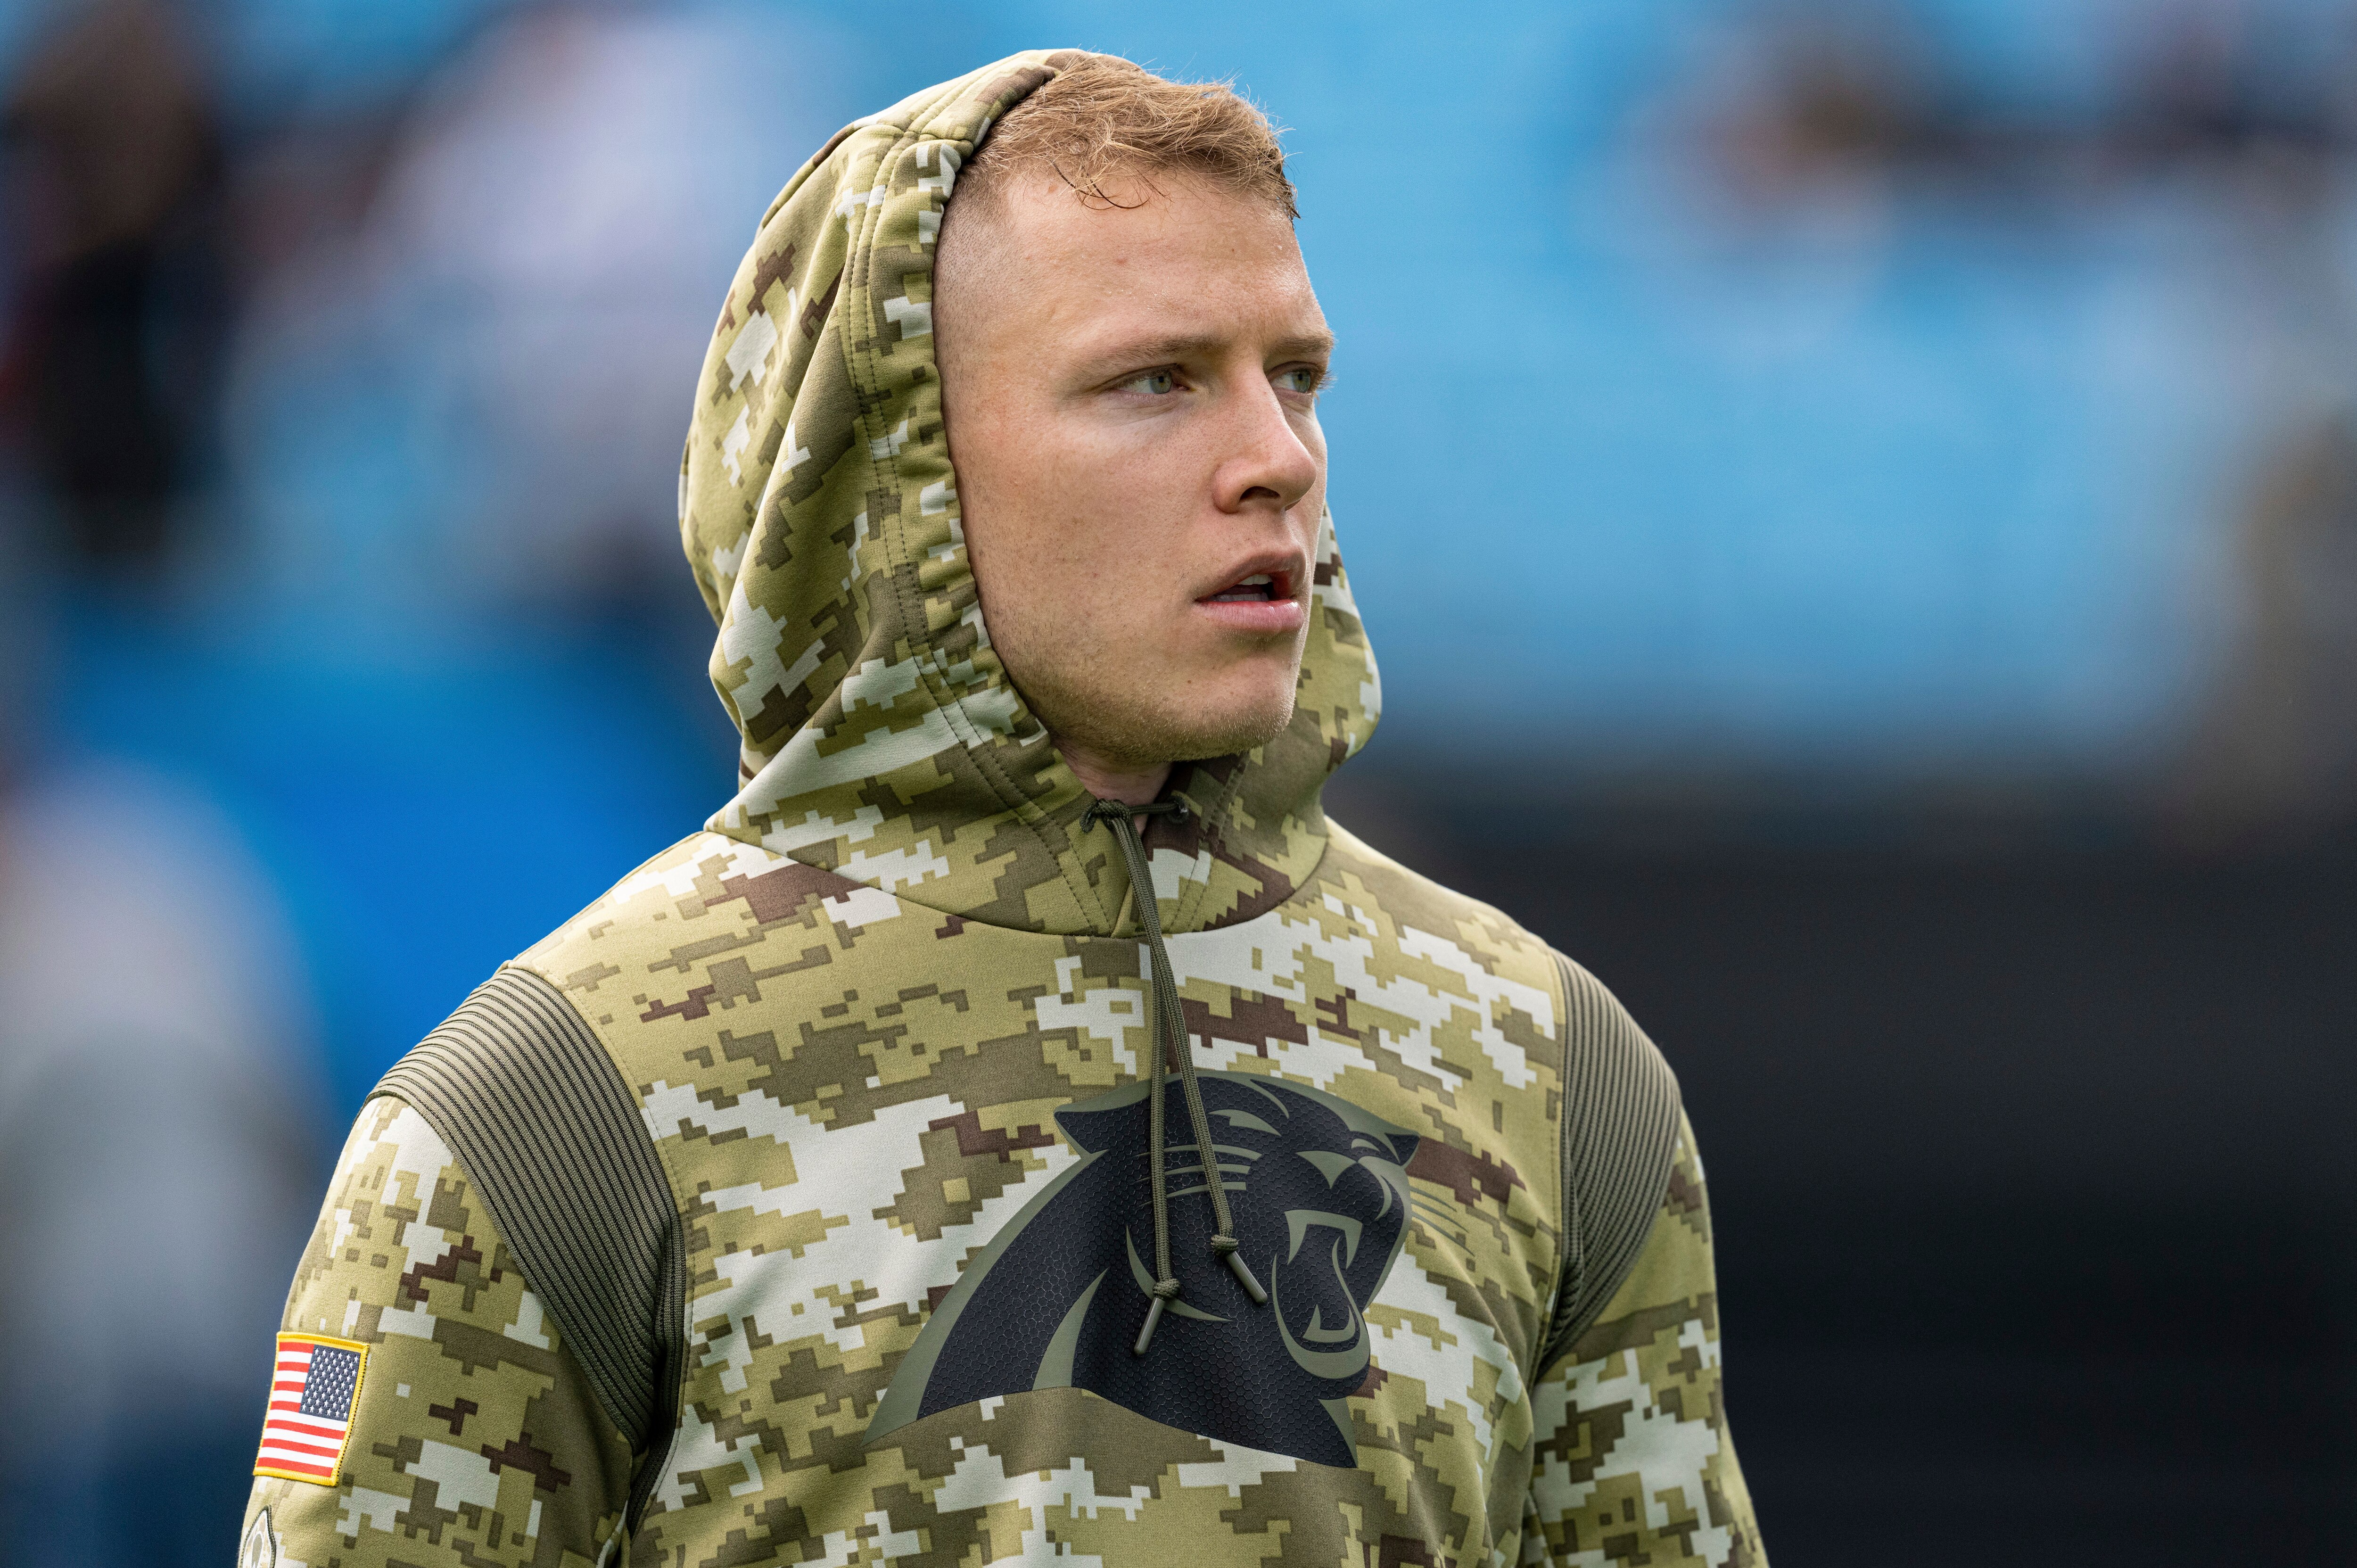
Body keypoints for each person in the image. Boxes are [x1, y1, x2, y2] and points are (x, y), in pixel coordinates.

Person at [237, 51, 1764, 1568]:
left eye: (1294, 376)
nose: (1279, 462)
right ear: (889, 468)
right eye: (1155, 380)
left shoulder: (1558, 1072)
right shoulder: (551, 1112)